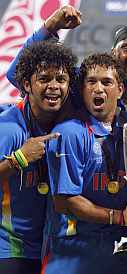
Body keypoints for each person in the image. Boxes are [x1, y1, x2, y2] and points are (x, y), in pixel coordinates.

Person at [43, 52, 127, 274]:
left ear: (120, 89)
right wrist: (121, 217)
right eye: (91, 82)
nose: (98, 89)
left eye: (107, 82)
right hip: (74, 255)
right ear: (82, 90)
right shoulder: (69, 133)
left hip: (120, 255)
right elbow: (65, 202)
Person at [0, 40, 77, 274]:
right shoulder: (9, 128)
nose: (54, 86)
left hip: (53, 248)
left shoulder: (67, 123)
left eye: (61, 80)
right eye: (44, 79)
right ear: (27, 84)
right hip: (12, 248)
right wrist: (20, 158)